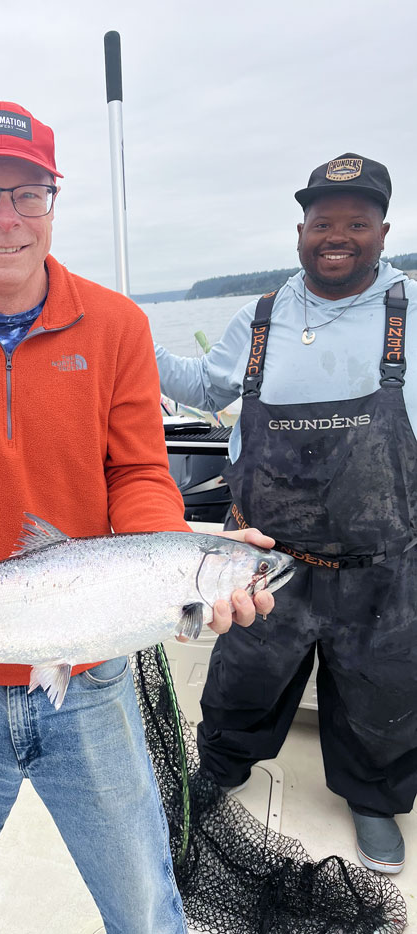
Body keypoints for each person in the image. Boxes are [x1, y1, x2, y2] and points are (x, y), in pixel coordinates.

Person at [0, 100, 274, 934]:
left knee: (146, 904)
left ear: (53, 202)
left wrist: (181, 565)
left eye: (28, 193)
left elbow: (142, 472)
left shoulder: (117, 324)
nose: (5, 218)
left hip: (91, 670)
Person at [155, 152, 417, 876]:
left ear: (383, 230)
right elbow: (202, 391)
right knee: (241, 682)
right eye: (322, 222)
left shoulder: (411, 311)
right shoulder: (261, 318)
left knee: (384, 693)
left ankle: (372, 797)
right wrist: (124, 337)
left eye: (356, 223)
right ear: (301, 230)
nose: (337, 236)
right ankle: (222, 768)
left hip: (384, 569)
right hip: (265, 561)